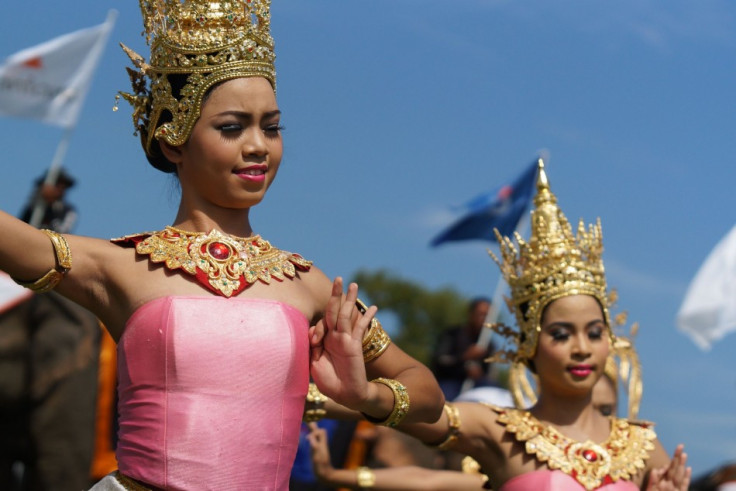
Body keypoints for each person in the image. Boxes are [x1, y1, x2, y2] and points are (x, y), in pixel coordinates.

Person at [0, 2, 444, 489]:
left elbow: (425, 391)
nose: (258, 145)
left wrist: (367, 396)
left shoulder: (307, 283)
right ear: (174, 141)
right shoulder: (118, 266)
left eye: (271, 127)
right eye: (232, 127)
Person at [391, 161, 691, 490]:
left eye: (594, 333)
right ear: (529, 342)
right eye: (561, 335)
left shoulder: (642, 447)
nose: (582, 349)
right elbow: (417, 418)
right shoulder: (500, 429)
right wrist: (352, 391)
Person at [305, 348, 634, 490]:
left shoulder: (642, 458)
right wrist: (314, 401)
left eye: (605, 411)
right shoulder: (523, 460)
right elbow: (428, 481)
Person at [0, 169, 100, 491]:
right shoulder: (33, 204)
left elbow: (57, 245)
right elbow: (19, 228)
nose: (52, 191)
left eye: (57, 187)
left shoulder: (66, 213)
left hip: (49, 269)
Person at [430, 297, 497, 400]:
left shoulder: (489, 345)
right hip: (450, 382)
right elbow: (439, 362)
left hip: (477, 386)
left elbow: (490, 373)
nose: (484, 319)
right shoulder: (452, 335)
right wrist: (464, 357)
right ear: (471, 314)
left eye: (488, 316)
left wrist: (479, 374)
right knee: (443, 399)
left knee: (493, 393)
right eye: (481, 314)